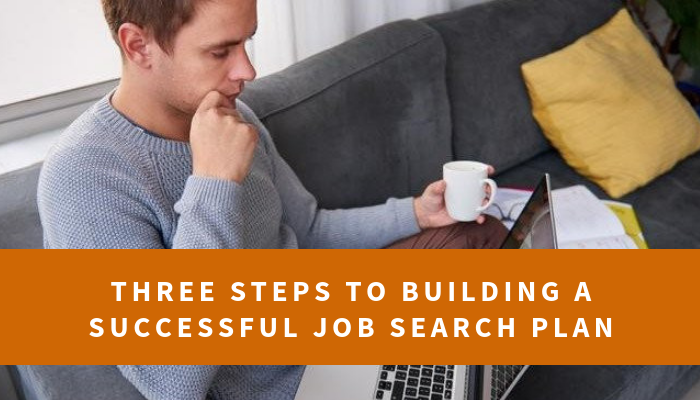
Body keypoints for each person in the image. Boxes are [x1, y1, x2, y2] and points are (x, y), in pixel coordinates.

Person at [37, 0, 507, 249]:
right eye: (221, 51)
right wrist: (214, 181)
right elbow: (171, 378)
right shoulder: (83, 178)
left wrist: (417, 214)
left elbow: (309, 231)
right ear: (139, 46)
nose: (247, 71)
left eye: (247, 44)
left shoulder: (232, 114)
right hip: (287, 383)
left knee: (484, 235)